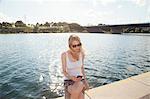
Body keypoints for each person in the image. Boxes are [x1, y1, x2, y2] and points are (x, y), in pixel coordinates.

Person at [61, 34, 89, 99]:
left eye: (79, 45)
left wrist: (86, 82)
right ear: (70, 46)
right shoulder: (64, 55)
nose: (77, 47)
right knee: (78, 89)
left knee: (80, 85)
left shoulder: (82, 53)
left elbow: (82, 68)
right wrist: (72, 78)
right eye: (74, 46)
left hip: (80, 80)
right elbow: (64, 71)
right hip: (69, 80)